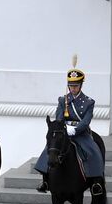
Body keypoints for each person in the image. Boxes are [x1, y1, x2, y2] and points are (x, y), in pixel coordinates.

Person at [34, 58, 104, 194]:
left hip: (81, 133)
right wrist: (65, 128)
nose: (73, 88)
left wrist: (76, 129)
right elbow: (59, 117)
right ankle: (46, 181)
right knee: (49, 150)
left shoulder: (89, 102)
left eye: (76, 86)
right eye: (71, 86)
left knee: (94, 151)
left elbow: (86, 120)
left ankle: (96, 182)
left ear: (81, 86)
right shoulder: (63, 100)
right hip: (64, 133)